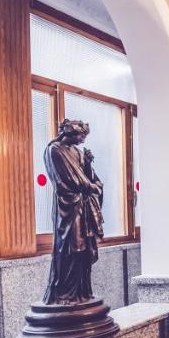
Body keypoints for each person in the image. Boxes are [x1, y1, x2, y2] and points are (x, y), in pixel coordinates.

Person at [42, 119, 103, 305]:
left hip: (83, 207)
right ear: (70, 133)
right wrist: (90, 186)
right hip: (68, 207)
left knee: (84, 250)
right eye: (80, 136)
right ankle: (64, 295)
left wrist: (88, 164)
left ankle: (81, 293)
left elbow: (87, 176)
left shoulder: (76, 151)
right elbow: (67, 179)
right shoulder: (54, 150)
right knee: (71, 248)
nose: (83, 141)